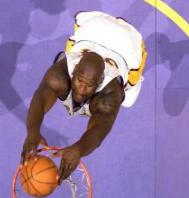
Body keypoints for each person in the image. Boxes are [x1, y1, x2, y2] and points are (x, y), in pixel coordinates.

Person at [20, 11, 147, 184]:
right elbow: (40, 98)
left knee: (129, 99)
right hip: (93, 27)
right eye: (79, 80)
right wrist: (32, 131)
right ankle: (93, 20)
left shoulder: (110, 93)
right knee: (77, 30)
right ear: (73, 72)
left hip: (127, 43)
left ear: (100, 82)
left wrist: (79, 149)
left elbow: (100, 129)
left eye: (90, 85)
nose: (81, 89)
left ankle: (121, 25)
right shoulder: (60, 73)